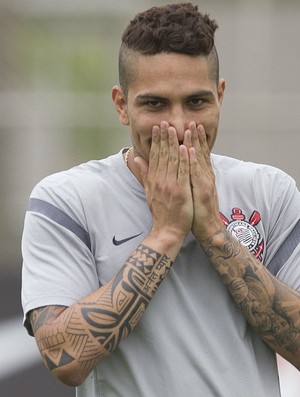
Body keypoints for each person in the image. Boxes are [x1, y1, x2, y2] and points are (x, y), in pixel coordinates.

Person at [21, 3, 300, 396]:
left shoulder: (270, 191)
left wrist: (215, 234)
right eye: (155, 104)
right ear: (121, 105)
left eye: (197, 102)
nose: (180, 125)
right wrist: (165, 233)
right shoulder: (67, 201)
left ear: (220, 96)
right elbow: (64, 356)